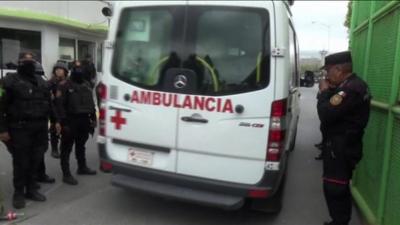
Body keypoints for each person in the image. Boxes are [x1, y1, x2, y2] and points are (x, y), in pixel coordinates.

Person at [317, 51, 371, 225]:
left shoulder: (349, 90)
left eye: (328, 70)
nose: (327, 75)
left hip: (340, 148)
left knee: (335, 187)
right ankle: (339, 220)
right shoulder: (353, 85)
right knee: (338, 186)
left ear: (339, 69)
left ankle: (339, 222)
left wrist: (324, 92)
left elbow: (326, 114)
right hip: (343, 145)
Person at [0, 52, 52, 209]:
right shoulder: (8, 81)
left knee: (35, 160)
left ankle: (31, 189)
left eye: (32, 61)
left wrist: (53, 123)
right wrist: (2, 130)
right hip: (19, 128)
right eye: (25, 61)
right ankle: (18, 193)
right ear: (19, 63)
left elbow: (48, 104)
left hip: (40, 128)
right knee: (21, 162)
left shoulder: (41, 81)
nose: (29, 64)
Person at [55, 61, 97, 186]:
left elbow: (91, 102)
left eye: (81, 69)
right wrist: (63, 122)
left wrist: (93, 117)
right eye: (76, 69)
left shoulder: (87, 84)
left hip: (84, 119)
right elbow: (59, 105)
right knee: (66, 148)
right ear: (72, 71)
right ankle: (66, 174)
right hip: (70, 120)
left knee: (81, 145)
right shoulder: (64, 85)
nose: (79, 72)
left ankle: (82, 167)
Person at [48, 61, 69, 158]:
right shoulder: (51, 82)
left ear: (65, 71)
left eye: (60, 69)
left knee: (66, 130)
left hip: (65, 110)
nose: (58, 71)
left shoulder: (68, 82)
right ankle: (54, 149)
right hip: (54, 109)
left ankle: (63, 147)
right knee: (54, 130)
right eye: (56, 70)